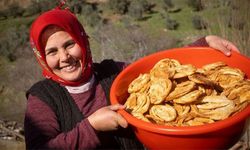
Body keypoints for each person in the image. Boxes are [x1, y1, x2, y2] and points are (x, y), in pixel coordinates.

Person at [24, 5, 240, 150]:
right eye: (52, 52)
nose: (64, 57)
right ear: (42, 58)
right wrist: (92, 127)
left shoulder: (112, 73)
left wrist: (204, 43)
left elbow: (159, 72)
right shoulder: (43, 98)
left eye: (69, 44)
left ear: (82, 40)